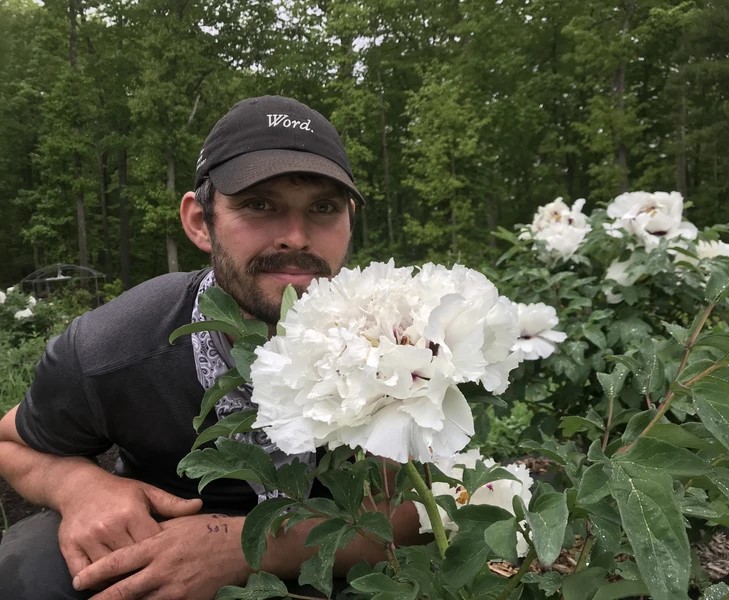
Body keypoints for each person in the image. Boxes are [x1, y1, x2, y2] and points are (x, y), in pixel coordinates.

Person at [0, 95, 423, 599]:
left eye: (324, 208)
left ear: (349, 221)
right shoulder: (116, 345)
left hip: (340, 561)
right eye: (259, 205)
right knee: (27, 568)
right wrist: (79, 487)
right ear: (200, 221)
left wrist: (250, 548)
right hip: (161, 540)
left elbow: (432, 507)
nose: (295, 236)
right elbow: (10, 442)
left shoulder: (408, 341)